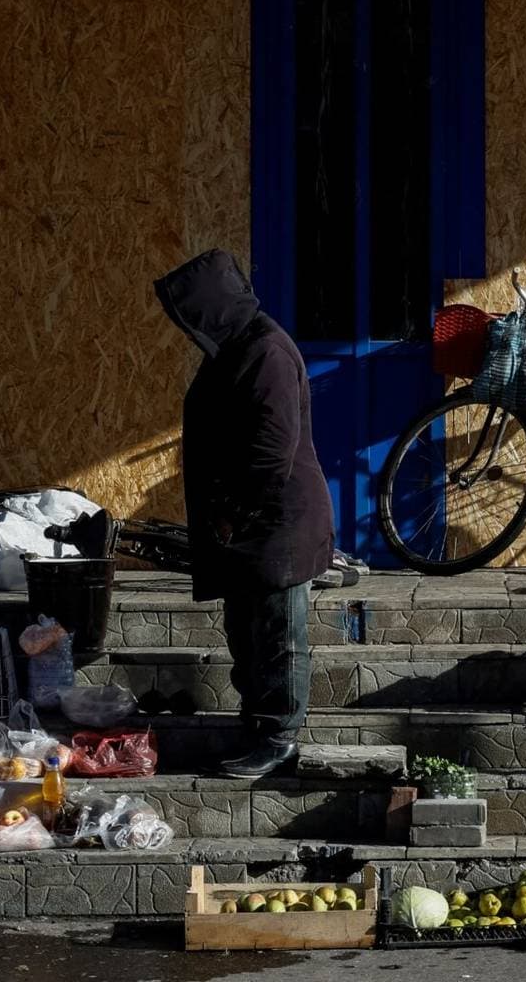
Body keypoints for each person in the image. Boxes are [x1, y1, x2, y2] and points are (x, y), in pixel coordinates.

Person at [154, 249, 334, 778]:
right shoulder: (236, 348)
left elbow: (271, 449)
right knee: (248, 633)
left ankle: (278, 735)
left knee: (278, 635)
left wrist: (233, 510)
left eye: (192, 315)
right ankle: (257, 725)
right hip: (250, 525)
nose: (188, 329)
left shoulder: (266, 352)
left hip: (276, 522)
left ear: (213, 307)